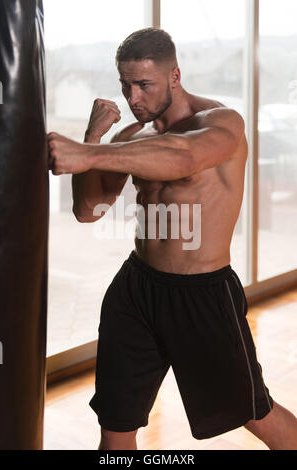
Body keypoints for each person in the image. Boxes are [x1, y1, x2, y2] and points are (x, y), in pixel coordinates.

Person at [47, 28, 297, 450]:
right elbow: (89, 211)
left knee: (255, 414)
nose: (133, 98)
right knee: (116, 421)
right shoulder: (131, 138)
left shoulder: (221, 123)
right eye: (126, 85)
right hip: (136, 290)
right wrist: (93, 139)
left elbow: (185, 155)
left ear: (175, 76)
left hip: (202, 294)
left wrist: (86, 155)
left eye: (144, 85)